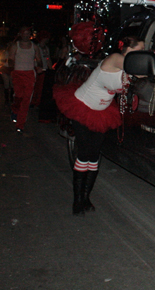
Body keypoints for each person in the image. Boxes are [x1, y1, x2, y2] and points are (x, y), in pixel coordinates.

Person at [53, 35, 145, 215]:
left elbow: (143, 74)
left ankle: (86, 197)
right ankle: (77, 200)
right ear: (127, 49)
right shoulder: (116, 58)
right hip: (83, 107)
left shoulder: (132, 66)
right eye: (139, 50)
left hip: (102, 112)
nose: (143, 53)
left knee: (94, 155)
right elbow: (138, 68)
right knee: (85, 152)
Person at [8, 26, 43, 133]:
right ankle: (15, 110)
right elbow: (10, 59)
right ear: (20, 34)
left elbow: (39, 59)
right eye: (24, 33)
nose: (26, 35)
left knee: (26, 99)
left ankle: (20, 125)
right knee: (19, 96)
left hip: (29, 75)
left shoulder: (34, 47)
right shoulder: (15, 46)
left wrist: (40, 66)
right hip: (18, 74)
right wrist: (11, 69)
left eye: (28, 33)